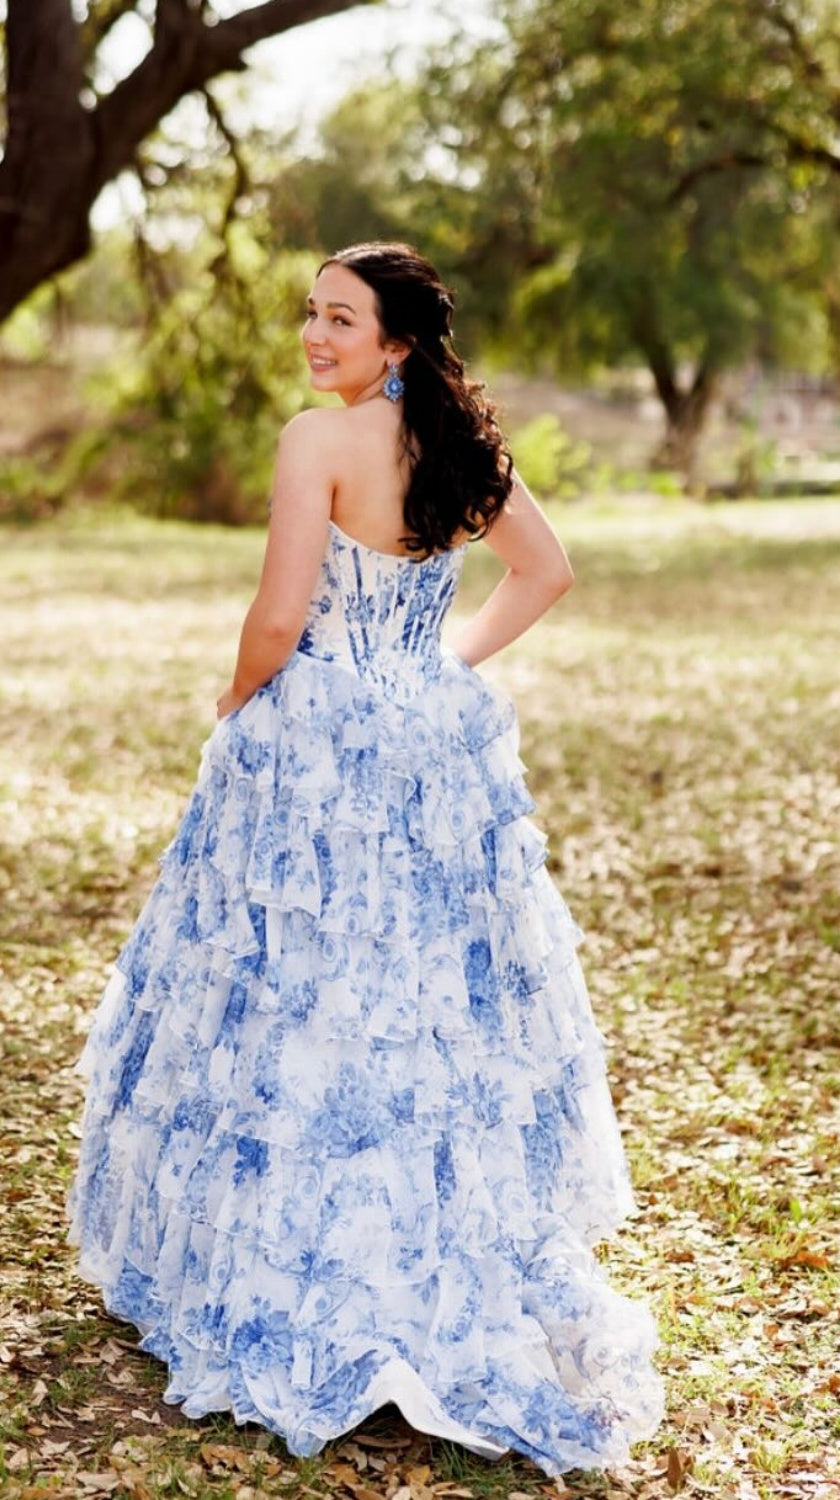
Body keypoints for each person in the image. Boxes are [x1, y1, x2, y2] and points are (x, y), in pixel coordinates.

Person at [67, 242, 664, 1476]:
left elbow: (282, 615)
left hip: (313, 745)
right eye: (310, 314)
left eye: (341, 318)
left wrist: (236, 704)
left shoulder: (314, 442)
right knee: (424, 1007)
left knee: (300, 995)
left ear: (395, 342)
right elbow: (543, 573)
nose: (315, 335)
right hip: (429, 750)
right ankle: (423, 1253)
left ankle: (297, 1268)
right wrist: (437, 670)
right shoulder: (453, 446)